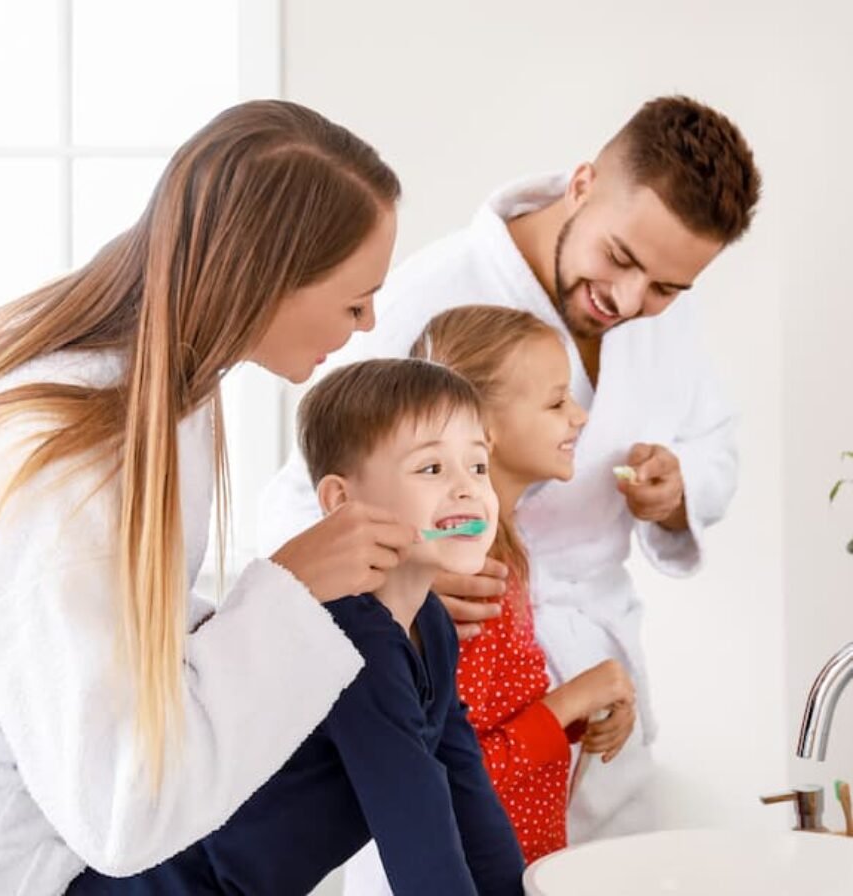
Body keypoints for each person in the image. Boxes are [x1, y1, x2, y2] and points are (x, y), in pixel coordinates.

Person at [0, 100, 418, 895]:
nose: (369, 321)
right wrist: (289, 590)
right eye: (354, 301)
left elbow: (120, 627)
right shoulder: (61, 475)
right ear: (265, 280)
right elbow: (121, 810)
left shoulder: (168, 392)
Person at [259, 95, 762, 858]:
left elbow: (716, 439)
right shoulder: (430, 296)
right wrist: (407, 581)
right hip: (465, 667)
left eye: (666, 289)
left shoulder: (662, 309)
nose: (631, 302)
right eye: (621, 260)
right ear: (584, 183)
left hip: (595, 689)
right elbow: (309, 493)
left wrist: (678, 487)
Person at [70, 358, 526, 895]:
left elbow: (465, 790)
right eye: (431, 470)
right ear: (341, 502)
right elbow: (418, 834)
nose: (468, 490)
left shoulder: (430, 623)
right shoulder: (355, 637)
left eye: (477, 467)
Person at [415, 305, 637, 864]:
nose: (580, 418)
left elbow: (492, 725)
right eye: (557, 401)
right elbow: (457, 775)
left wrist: (586, 710)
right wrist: (575, 697)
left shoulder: (503, 550)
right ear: (486, 431)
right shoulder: (472, 572)